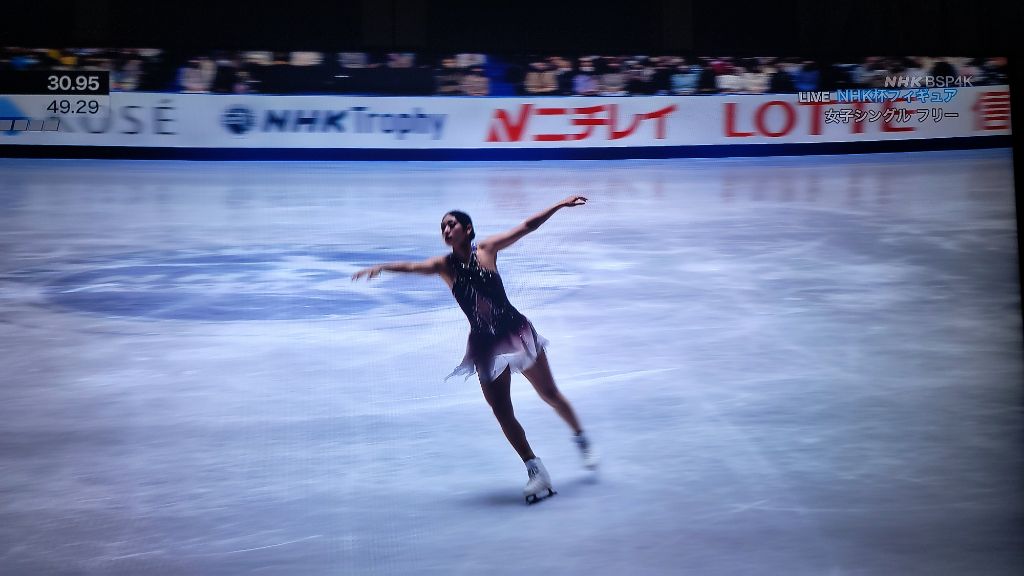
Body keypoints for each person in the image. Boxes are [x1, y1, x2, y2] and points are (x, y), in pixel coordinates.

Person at [352, 197, 598, 504]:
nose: (446, 230)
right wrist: (382, 267)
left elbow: (526, 226)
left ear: (467, 229)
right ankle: (535, 469)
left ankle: (581, 438)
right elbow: (413, 266)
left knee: (549, 393)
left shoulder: (487, 249)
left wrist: (559, 205)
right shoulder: (444, 266)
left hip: (515, 331)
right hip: (485, 344)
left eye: (451, 224)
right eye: (442, 227)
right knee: (502, 411)